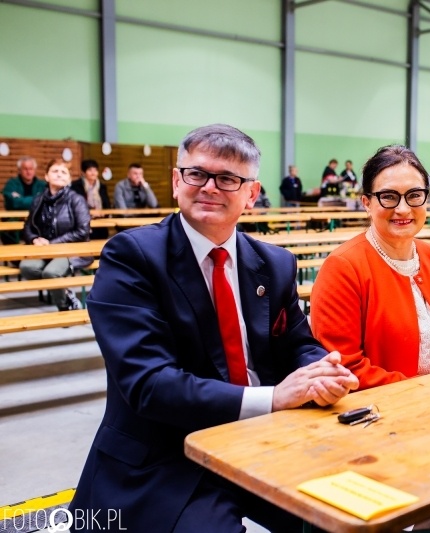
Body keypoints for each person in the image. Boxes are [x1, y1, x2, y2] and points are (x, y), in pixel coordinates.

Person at [70, 124, 359, 533]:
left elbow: (298, 344)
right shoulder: (131, 257)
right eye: (197, 174)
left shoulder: (274, 263)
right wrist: (273, 397)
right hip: (171, 453)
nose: (209, 187)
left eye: (227, 179)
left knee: (356, 512)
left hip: (271, 440)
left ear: (251, 195)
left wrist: (322, 371)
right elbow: (149, 384)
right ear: (176, 181)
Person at [310, 145, 430, 390]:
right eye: (389, 196)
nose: (403, 208)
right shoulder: (342, 268)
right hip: (381, 413)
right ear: (366, 202)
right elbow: (345, 368)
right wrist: (427, 389)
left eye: (415, 195)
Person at [19, 158, 90, 311]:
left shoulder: (76, 200)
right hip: (45, 250)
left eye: (63, 172)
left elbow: (82, 231)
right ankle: (66, 292)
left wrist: (53, 243)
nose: (59, 175)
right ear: (46, 176)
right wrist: (34, 239)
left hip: (72, 250)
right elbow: (27, 227)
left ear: (69, 179)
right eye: (55, 171)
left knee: (51, 273)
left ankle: (66, 307)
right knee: (26, 267)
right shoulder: (39, 199)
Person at [71, 159, 111, 239]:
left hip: (100, 220)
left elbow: (107, 204)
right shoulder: (76, 185)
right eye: (90, 170)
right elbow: (76, 204)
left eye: (95, 170)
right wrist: (90, 213)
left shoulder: (102, 186)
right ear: (83, 172)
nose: (93, 173)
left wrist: (103, 213)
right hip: (83, 220)